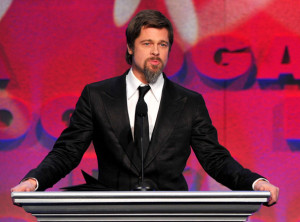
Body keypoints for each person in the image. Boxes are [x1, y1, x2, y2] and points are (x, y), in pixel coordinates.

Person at [11, 9, 279, 206]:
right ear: (130, 47)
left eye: (162, 45)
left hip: (171, 213)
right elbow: (68, 152)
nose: (155, 52)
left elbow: (215, 159)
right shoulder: (97, 96)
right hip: (111, 212)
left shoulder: (190, 102)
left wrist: (255, 182)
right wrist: (34, 182)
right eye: (147, 43)